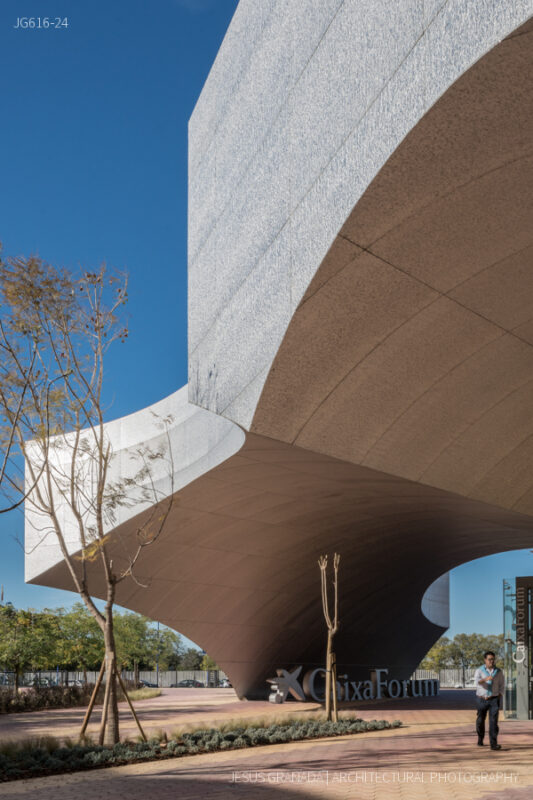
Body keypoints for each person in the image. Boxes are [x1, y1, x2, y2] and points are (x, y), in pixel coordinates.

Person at [474, 650, 504, 750]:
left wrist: (499, 695)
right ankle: (480, 738)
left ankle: (493, 744)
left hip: (494, 700)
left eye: (493, 659)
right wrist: (485, 679)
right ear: (485, 660)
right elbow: (476, 682)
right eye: (489, 659)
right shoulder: (479, 670)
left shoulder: (498, 671)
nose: (491, 661)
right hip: (481, 699)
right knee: (480, 721)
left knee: (493, 722)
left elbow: (502, 685)